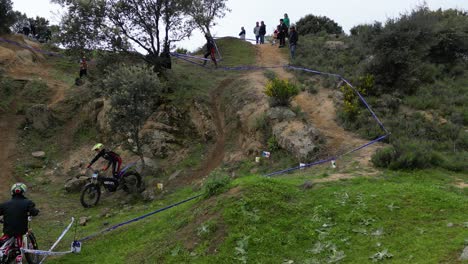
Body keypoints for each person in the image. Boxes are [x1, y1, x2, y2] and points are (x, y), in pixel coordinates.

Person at [0, 183, 39, 263]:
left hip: (8, 230)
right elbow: (34, 212)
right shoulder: (28, 202)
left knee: (3, 241)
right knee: (19, 248)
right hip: (20, 231)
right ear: (23, 192)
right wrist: (36, 211)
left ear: (12, 192)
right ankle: (18, 257)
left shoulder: (4, 204)